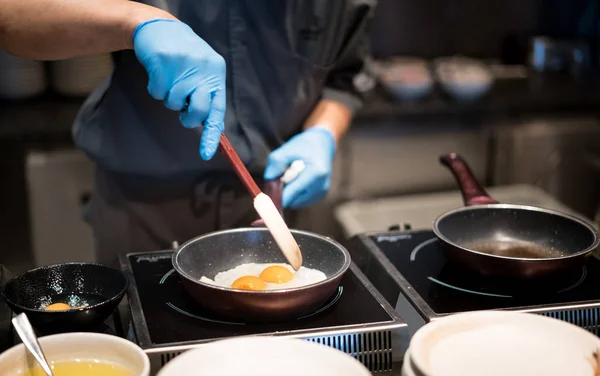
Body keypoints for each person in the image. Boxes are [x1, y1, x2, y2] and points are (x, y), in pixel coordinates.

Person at [0, 0, 375, 266]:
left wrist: (324, 131)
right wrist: (136, 21)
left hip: (274, 203)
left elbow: (346, 76)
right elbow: (13, 17)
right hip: (145, 210)